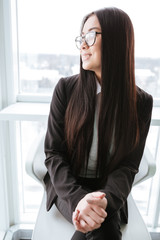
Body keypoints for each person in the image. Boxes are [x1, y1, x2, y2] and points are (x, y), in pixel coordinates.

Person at [43, 7, 153, 240]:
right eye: (81, 38)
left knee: (98, 227)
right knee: (103, 231)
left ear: (117, 40)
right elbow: (54, 154)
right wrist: (78, 199)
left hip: (108, 190)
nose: (83, 45)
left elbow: (128, 166)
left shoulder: (141, 102)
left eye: (91, 36)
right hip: (68, 187)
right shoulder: (65, 89)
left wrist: (103, 200)